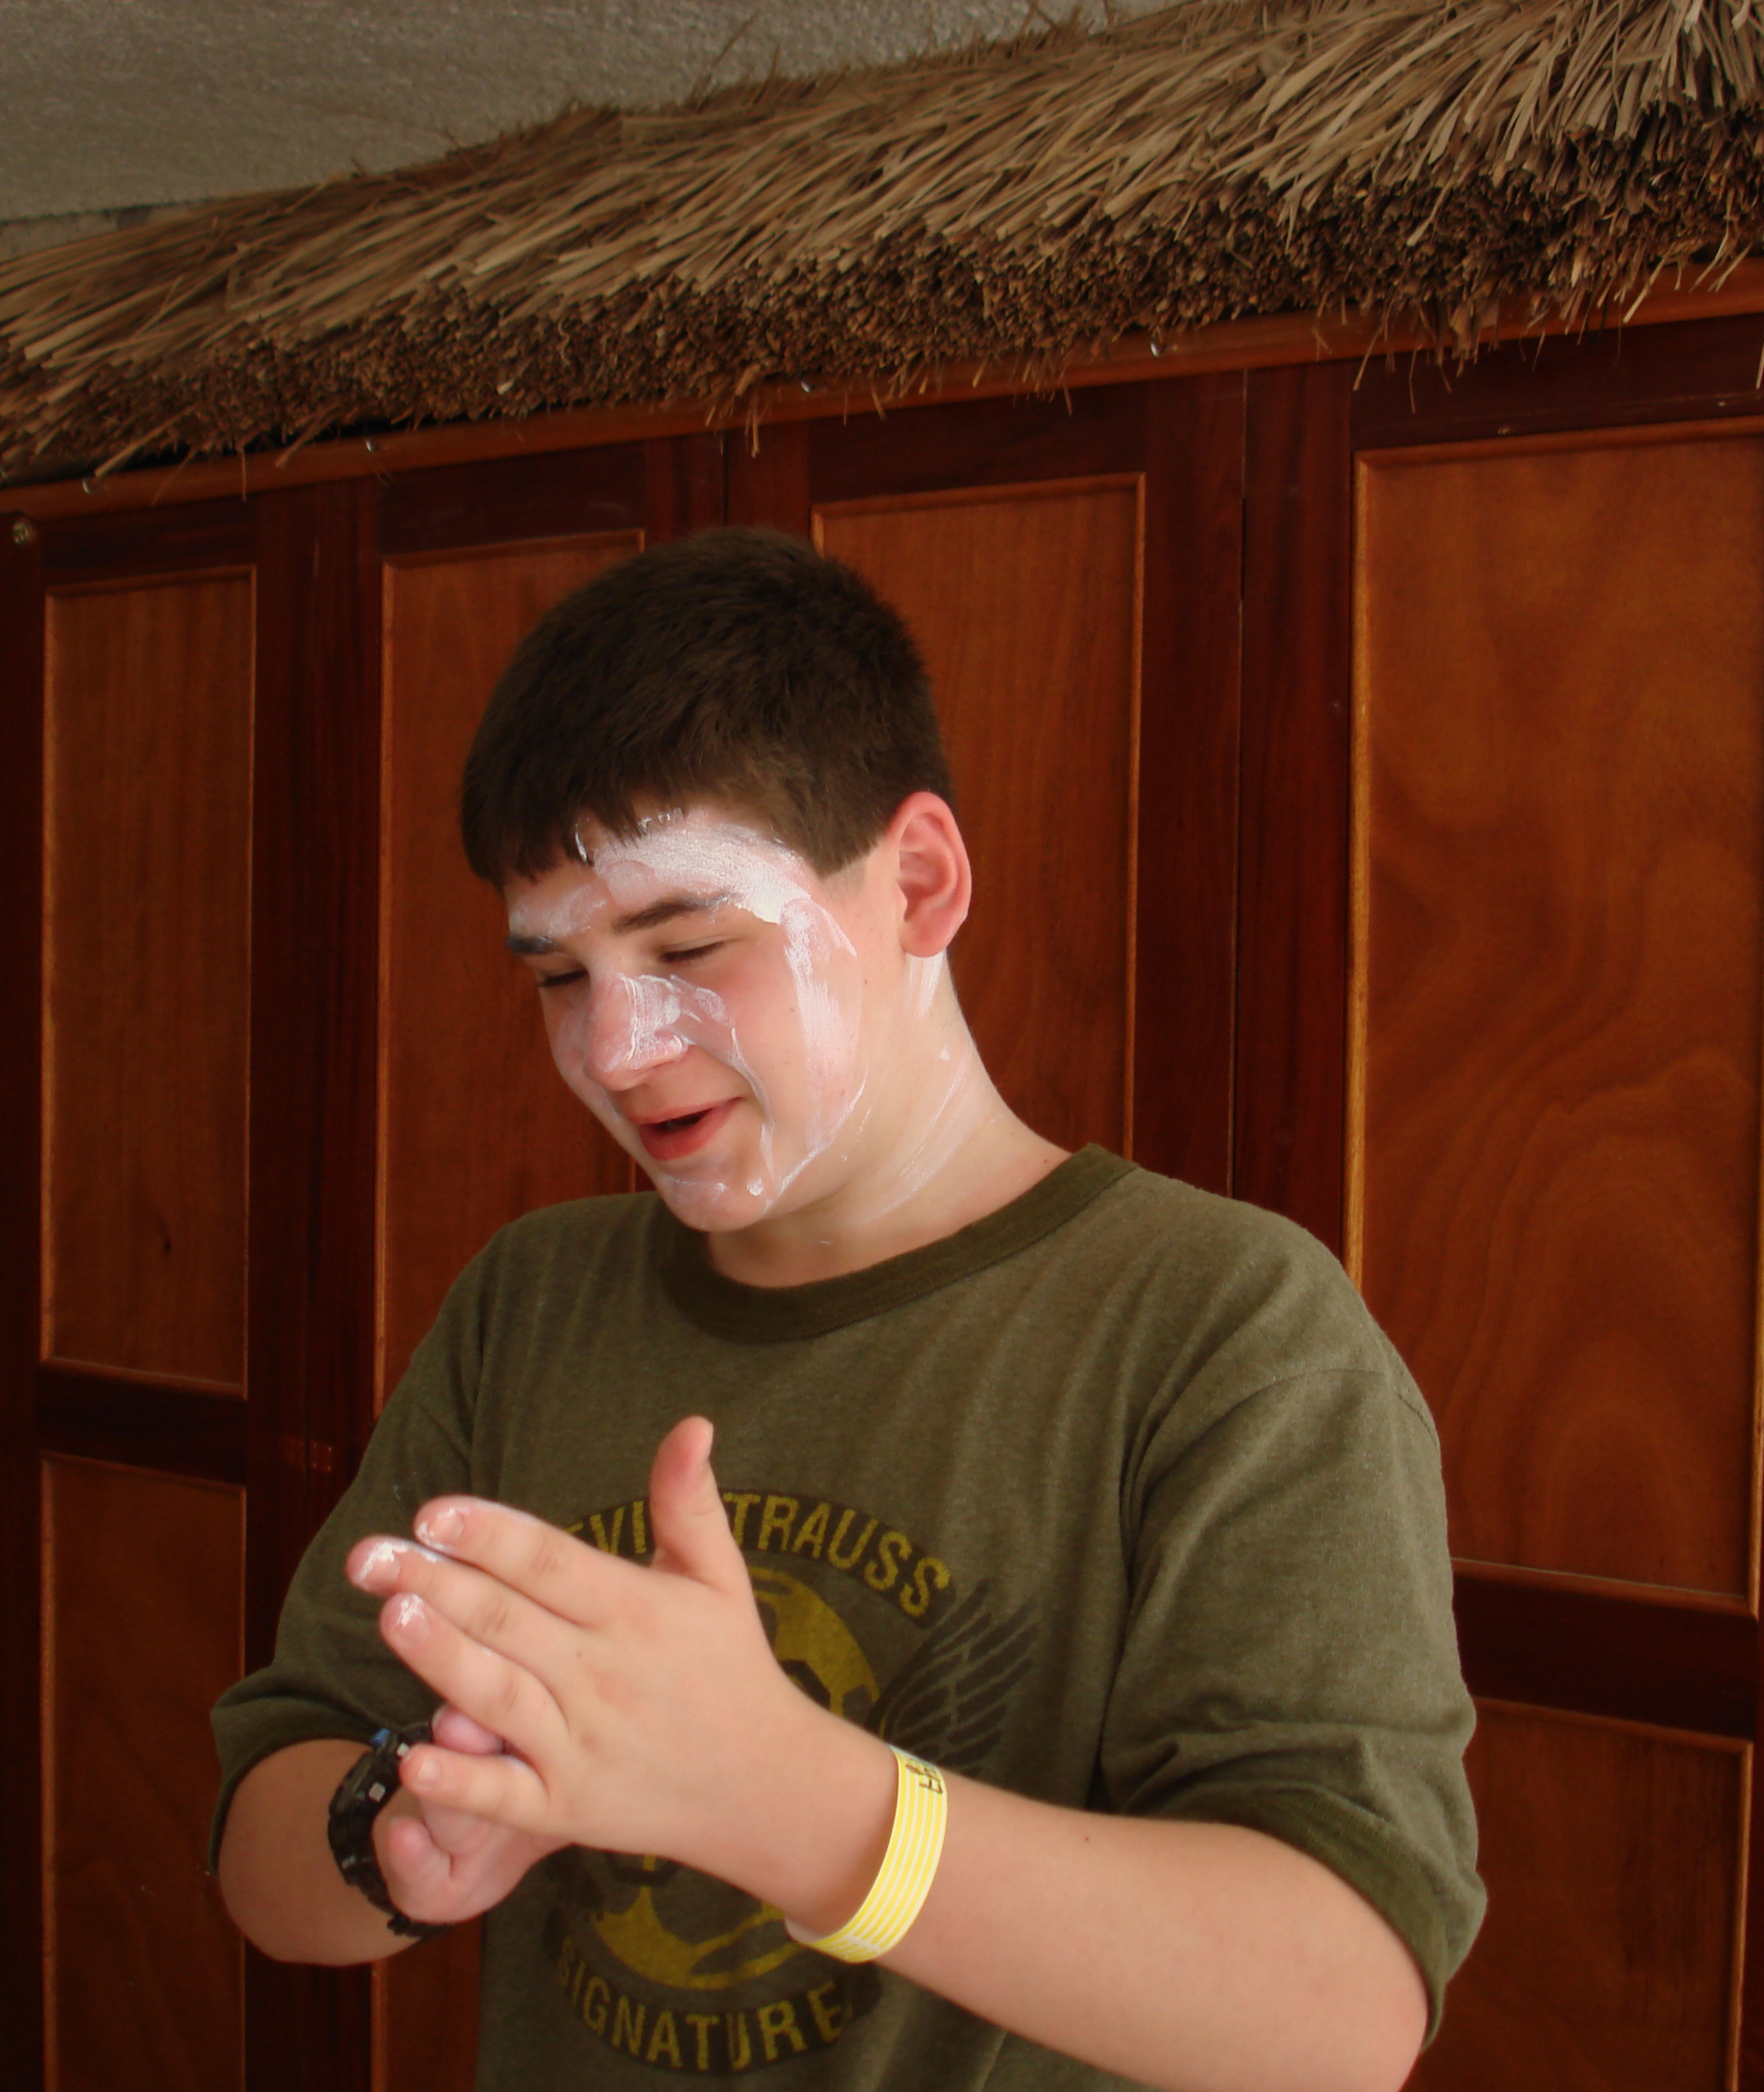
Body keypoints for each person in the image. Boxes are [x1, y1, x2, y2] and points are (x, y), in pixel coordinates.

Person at [210, 528, 1482, 2091]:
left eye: (690, 943)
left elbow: (1343, 2012)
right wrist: (399, 1836)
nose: (612, 1048)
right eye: (558, 977)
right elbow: (267, 1842)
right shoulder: (529, 1304)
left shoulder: (1225, 1332)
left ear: (920, 883)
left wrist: (792, 1804)